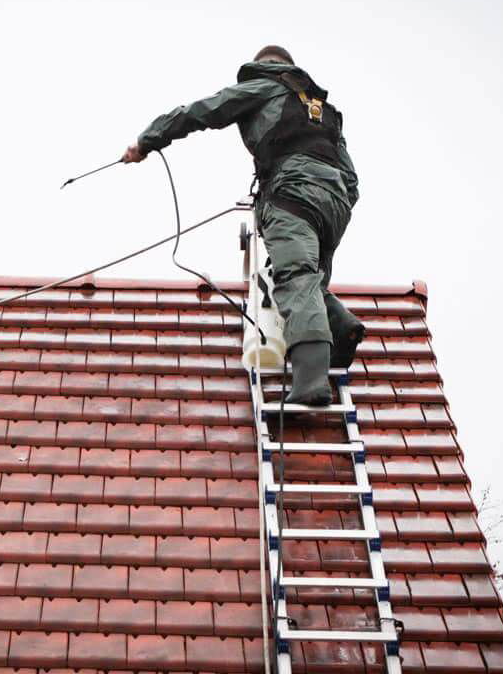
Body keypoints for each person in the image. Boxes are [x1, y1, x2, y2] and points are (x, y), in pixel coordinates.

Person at [122, 45, 365, 405]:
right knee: (306, 280)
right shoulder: (321, 108)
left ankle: (311, 382)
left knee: (295, 278)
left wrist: (147, 140)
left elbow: (202, 111)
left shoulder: (262, 87)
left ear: (261, 67)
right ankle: (341, 330)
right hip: (335, 205)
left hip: (292, 194)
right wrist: (330, 199)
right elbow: (352, 180)